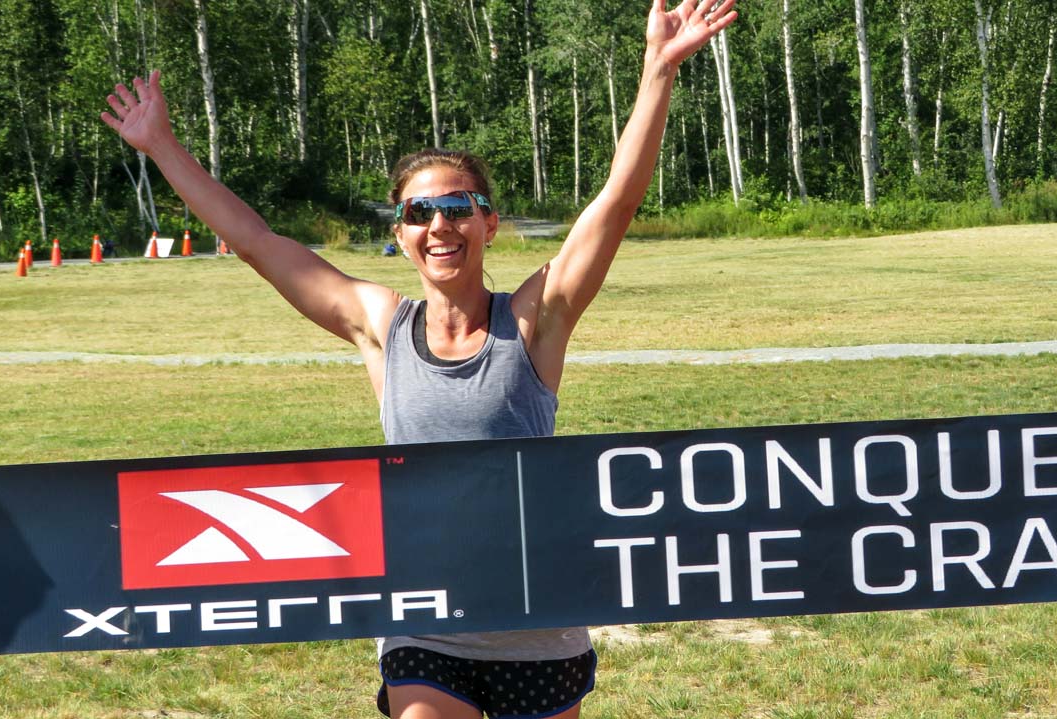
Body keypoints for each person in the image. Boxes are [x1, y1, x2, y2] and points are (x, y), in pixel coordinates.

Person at [100, 1, 737, 717]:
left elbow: (615, 205)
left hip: (537, 621)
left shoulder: (535, 320)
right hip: (424, 621)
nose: (440, 224)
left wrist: (658, 69)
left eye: (460, 207)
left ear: (489, 223)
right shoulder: (380, 326)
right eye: (418, 213)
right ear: (400, 234)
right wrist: (161, 146)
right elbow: (257, 241)